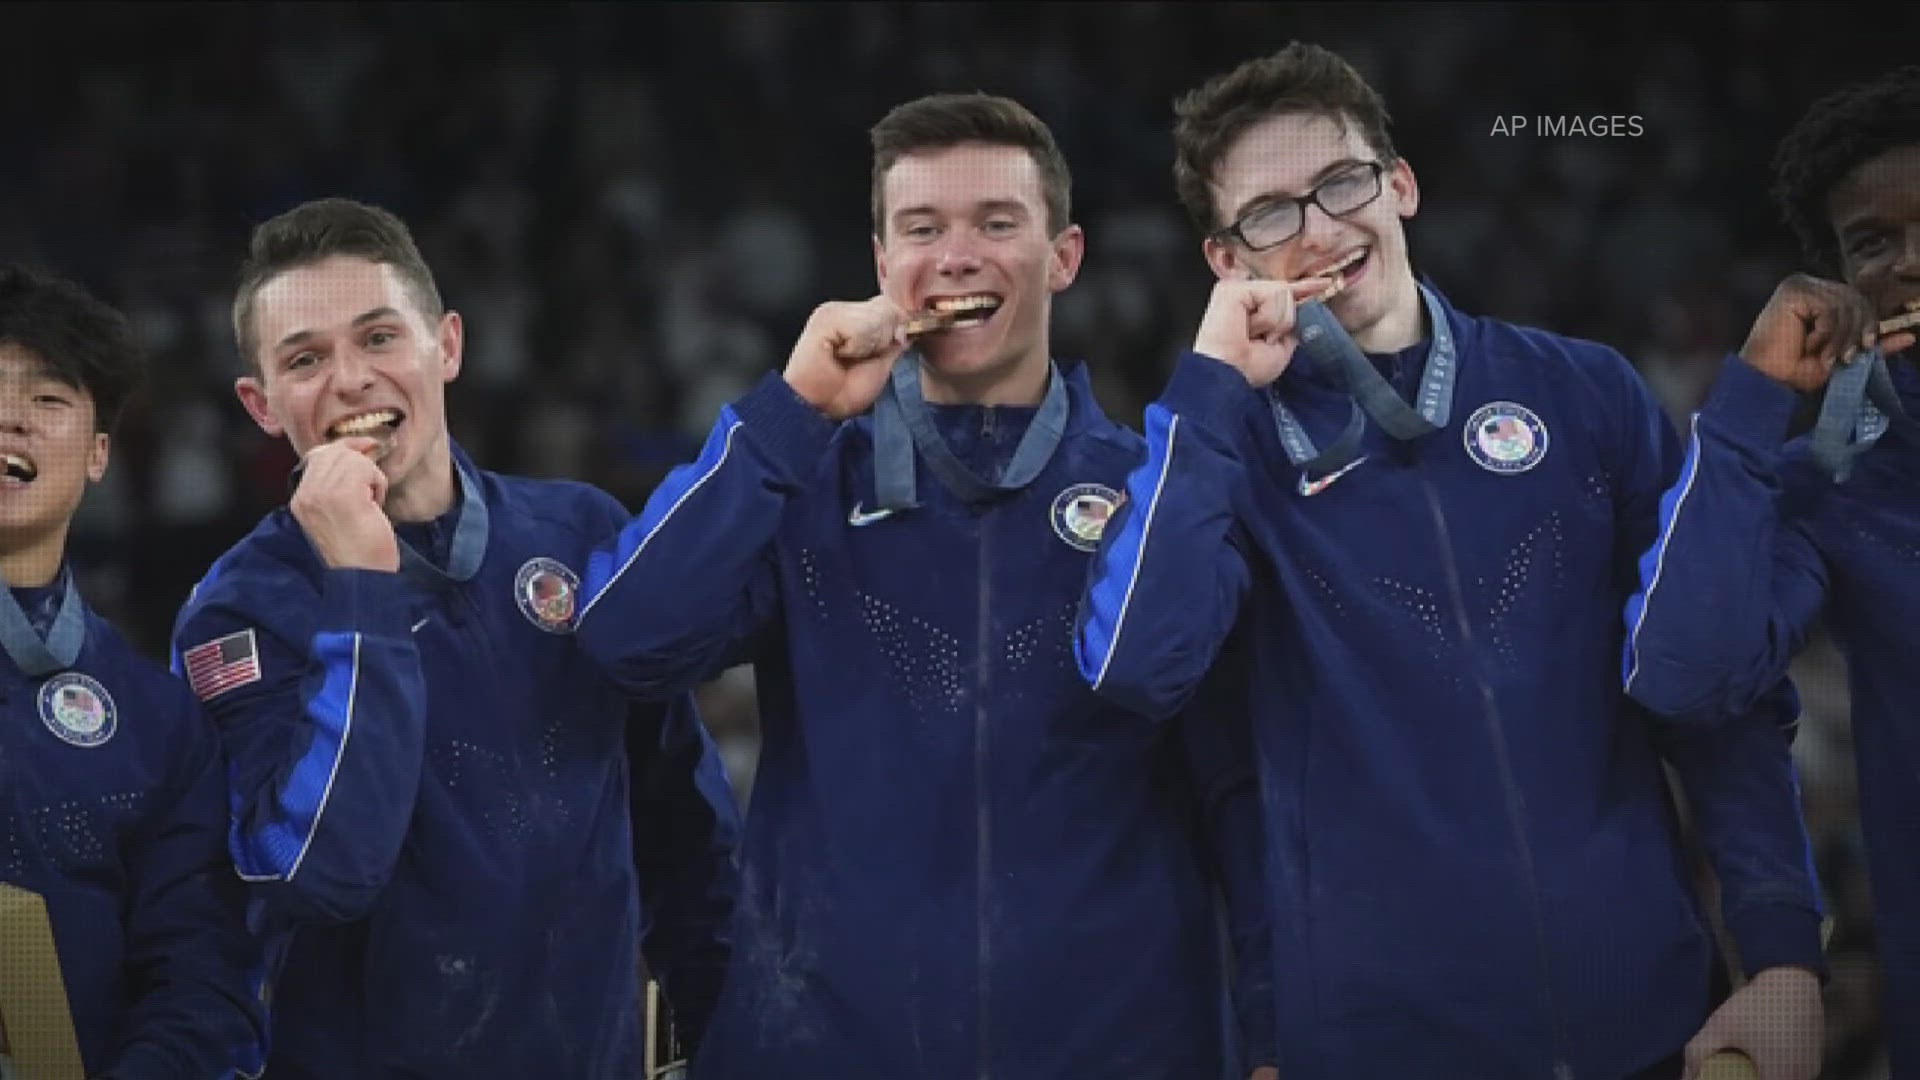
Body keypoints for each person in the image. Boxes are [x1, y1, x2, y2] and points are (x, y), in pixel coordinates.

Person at [1074, 43, 1829, 1079]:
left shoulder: (1583, 393)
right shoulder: (1218, 457)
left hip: (1648, 1025)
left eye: (1340, 183)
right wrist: (1209, 395)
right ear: (1226, 261)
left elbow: (1719, 694)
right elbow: (1145, 677)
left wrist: (1784, 952)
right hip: (1379, 1048)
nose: (1320, 230)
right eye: (1268, 215)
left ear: (1400, 184)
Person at [573, 93, 1272, 1079]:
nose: (956, 255)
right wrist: (790, 413)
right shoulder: (803, 480)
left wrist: (1272, 1029)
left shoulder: (1159, 497)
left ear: (1064, 256)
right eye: (922, 228)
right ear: (881, 262)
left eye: (997, 223)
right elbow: (629, 642)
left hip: (1117, 1048)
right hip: (825, 1050)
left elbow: (1237, 786)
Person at [169, 199, 739, 1079]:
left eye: (379, 338)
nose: (352, 379)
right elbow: (321, 874)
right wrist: (362, 588)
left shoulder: (576, 532)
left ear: (449, 346)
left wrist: (733, 1030)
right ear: (260, 402)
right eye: (306, 359)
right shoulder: (239, 615)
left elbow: (683, 827)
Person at [1622, 66, 1920, 1074]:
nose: (1911, 261)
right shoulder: (1833, 489)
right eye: (1872, 243)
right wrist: (1751, 403)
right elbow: (1685, 676)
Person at [0, 263, 262, 1078]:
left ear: (98, 456)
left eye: (48, 401)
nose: (11, 420)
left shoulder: (156, 718)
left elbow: (199, 982)